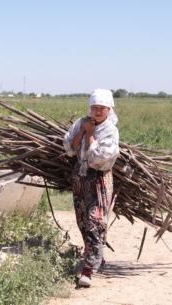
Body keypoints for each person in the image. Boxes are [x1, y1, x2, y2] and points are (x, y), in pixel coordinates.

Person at [63, 89, 120, 287]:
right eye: (94, 107)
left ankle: (87, 270)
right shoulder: (81, 122)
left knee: (95, 221)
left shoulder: (110, 131)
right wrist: (83, 130)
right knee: (82, 220)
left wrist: (90, 134)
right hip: (80, 177)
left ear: (108, 109)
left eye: (102, 108)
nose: (97, 111)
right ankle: (97, 256)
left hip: (99, 179)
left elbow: (97, 158)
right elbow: (70, 148)